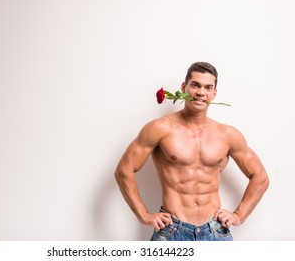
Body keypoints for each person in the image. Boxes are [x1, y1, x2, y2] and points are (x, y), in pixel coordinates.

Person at [114, 62, 269, 241]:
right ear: (184, 87)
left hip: (215, 230)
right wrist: (144, 215)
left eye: (208, 87)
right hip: (171, 230)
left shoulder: (227, 134)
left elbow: (260, 177)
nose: (201, 92)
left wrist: (239, 215)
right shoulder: (160, 128)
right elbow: (123, 171)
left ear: (214, 93)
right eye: (195, 85)